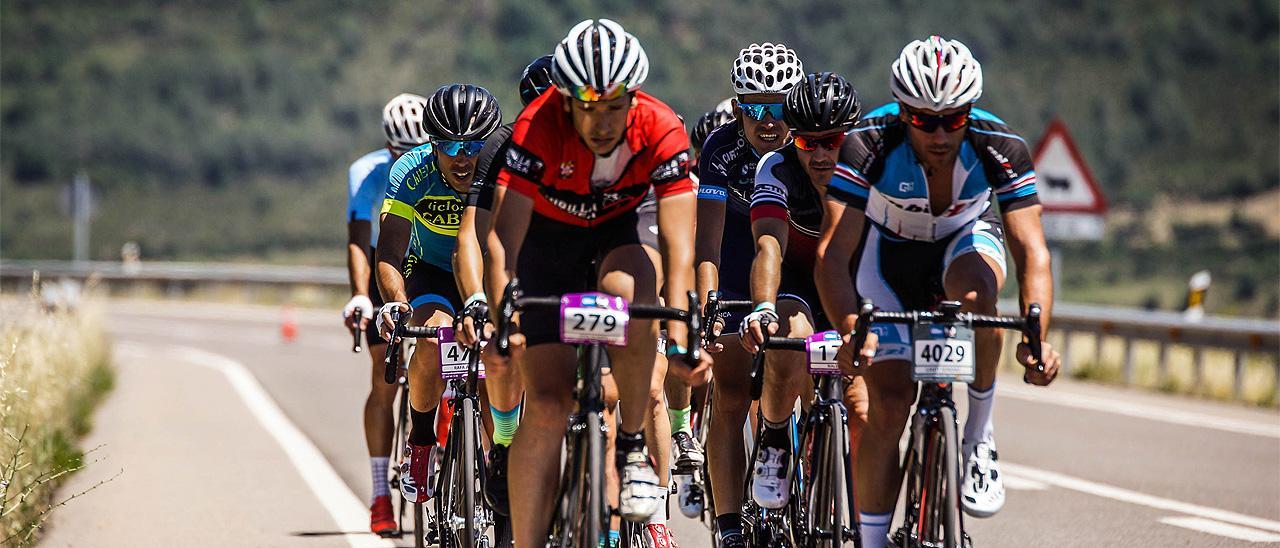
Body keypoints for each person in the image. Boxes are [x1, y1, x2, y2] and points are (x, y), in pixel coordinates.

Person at [813, 36, 1062, 548]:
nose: (941, 132)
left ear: (969, 111)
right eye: (925, 121)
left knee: (976, 297)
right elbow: (833, 256)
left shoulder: (999, 146)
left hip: (963, 243)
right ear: (904, 112)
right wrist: (847, 330)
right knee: (888, 402)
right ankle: (873, 541)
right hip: (887, 259)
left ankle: (978, 437)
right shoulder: (868, 143)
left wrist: (1036, 335)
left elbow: (1033, 253)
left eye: (953, 118)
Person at [484, 19, 710, 548]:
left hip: (617, 228)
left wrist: (683, 340)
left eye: (614, 106)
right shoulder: (536, 126)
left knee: (632, 297)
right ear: (566, 101)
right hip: (549, 240)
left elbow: (679, 249)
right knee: (546, 403)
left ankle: (631, 444)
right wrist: (502, 325)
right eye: (588, 106)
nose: (602, 122)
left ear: (634, 98)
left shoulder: (659, 128)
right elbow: (503, 243)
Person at [740, 71, 869, 512]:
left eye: (830, 141)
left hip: (853, 286)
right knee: (791, 341)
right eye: (805, 142)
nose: (818, 154)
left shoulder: (873, 168)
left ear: (849, 137)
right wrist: (761, 307)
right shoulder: (775, 168)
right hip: (796, 283)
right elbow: (769, 246)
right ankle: (775, 438)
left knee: (862, 405)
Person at [694, 42, 803, 547]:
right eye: (751, 107)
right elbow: (707, 243)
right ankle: (729, 523)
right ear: (736, 108)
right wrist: (710, 307)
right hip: (738, 265)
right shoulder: (721, 149)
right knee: (731, 392)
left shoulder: (808, 145)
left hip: (792, 260)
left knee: (803, 365)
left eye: (777, 106)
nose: (765, 120)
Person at [375, 84, 503, 505]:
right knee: (435, 338)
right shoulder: (411, 172)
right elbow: (390, 250)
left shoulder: (505, 169)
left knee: (500, 358)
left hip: (487, 272)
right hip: (430, 273)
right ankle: (422, 443)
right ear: (432, 143)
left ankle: (501, 452)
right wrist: (395, 302)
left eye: (473, 145)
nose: (462, 156)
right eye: (449, 145)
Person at [452, 54, 555, 518]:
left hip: (569, 258)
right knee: (506, 342)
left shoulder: (599, 145)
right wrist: (479, 300)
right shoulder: (502, 147)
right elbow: (475, 235)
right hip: (517, 258)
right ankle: (507, 442)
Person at [341, 92, 429, 535]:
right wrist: (360, 294)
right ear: (387, 146)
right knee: (384, 376)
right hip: (384, 261)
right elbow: (360, 238)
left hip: (428, 258)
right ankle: (379, 494)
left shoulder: (436, 166)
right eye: (399, 152)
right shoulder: (366, 172)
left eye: (415, 150)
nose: (406, 159)